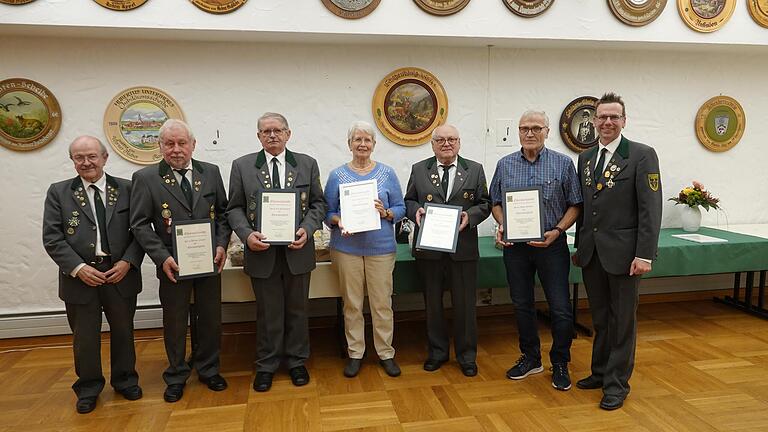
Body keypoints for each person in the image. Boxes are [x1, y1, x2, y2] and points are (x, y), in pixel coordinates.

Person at [130, 119, 231, 403]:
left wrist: (222, 245)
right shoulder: (146, 178)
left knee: (210, 318)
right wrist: (162, 258)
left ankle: (209, 369)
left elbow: (223, 214)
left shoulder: (210, 172)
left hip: (209, 261)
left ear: (193, 145)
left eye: (181, 143)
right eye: (169, 144)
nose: (176, 150)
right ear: (160, 146)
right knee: (175, 321)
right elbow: (139, 225)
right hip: (172, 265)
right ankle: (176, 374)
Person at [573, 92, 662, 410]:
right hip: (592, 254)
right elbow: (585, 207)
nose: (607, 122)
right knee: (600, 318)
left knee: (622, 321)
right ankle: (599, 372)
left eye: (614, 117)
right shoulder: (585, 157)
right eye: (602, 117)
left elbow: (650, 209)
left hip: (625, 257)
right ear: (594, 121)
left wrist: (645, 254)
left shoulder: (641, 155)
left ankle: (617, 384)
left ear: (624, 121)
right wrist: (578, 246)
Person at [226, 112, 327, 392]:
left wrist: (307, 228)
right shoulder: (243, 166)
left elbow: (319, 204)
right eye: (266, 131)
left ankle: (297, 363)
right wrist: (246, 236)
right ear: (258, 136)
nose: (272, 135)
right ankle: (266, 365)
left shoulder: (306, 164)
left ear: (288, 134)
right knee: (268, 312)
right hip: (261, 252)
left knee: (298, 310)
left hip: (298, 251)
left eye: (278, 130)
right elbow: (233, 207)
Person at [43, 136, 144, 413]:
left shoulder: (127, 188)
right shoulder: (59, 192)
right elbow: (52, 238)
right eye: (79, 157)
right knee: (85, 337)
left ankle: (125, 380)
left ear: (104, 157)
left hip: (119, 273)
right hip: (80, 277)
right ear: (72, 160)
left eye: (92, 156)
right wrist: (79, 268)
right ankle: (88, 388)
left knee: (124, 331)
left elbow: (141, 231)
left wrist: (127, 262)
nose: (86, 162)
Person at [489, 110, 582, 391]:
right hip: (516, 248)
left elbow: (575, 204)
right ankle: (531, 358)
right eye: (524, 128)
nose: (529, 133)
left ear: (547, 130)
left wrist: (558, 231)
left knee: (561, 307)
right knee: (522, 305)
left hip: (551, 246)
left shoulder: (563, 164)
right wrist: (504, 224)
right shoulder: (504, 165)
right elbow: (495, 202)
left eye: (536, 128)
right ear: (518, 132)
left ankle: (560, 361)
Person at [404, 124, 491, 377]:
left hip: (462, 250)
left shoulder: (474, 170)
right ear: (432, 144)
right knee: (433, 304)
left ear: (459, 142)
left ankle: (467, 356)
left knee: (465, 305)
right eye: (440, 140)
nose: (446, 143)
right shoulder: (419, 169)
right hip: (429, 250)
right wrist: (415, 211)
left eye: (452, 139)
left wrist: (470, 215)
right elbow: (409, 200)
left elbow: (485, 203)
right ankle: (437, 352)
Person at [324, 121, 406, 378]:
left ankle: (386, 353)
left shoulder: (387, 173)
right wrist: (340, 221)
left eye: (367, 140)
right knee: (352, 304)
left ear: (374, 144)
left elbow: (402, 207)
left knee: (382, 303)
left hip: (381, 249)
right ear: (349, 144)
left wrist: (388, 212)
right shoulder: (337, 175)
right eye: (357, 139)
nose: (362, 144)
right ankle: (355, 353)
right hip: (346, 249)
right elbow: (327, 213)